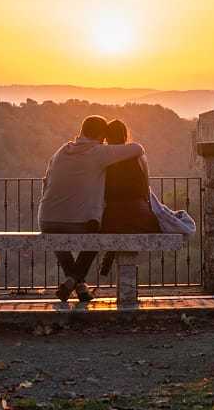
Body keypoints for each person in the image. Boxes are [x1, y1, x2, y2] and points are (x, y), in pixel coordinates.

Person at [38, 115, 144, 303]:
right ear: (102, 135)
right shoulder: (98, 152)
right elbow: (138, 149)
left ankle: (78, 285)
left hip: (46, 220)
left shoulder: (60, 151)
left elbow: (46, 182)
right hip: (76, 223)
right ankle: (73, 281)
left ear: (82, 131)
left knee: (57, 237)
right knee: (99, 234)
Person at [98, 119, 195, 276]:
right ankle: (111, 254)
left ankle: (111, 253)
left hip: (112, 220)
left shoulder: (104, 160)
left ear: (107, 138)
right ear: (125, 135)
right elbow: (145, 190)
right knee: (131, 224)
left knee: (120, 224)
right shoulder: (138, 157)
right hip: (138, 215)